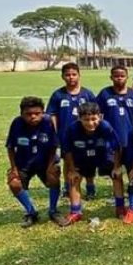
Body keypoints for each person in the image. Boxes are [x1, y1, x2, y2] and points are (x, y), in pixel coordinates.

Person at [6, 96, 68, 227]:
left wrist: (51, 165)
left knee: (54, 175)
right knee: (14, 183)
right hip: (23, 162)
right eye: (28, 114)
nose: (33, 117)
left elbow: (53, 146)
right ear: (21, 114)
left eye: (37, 113)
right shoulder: (17, 123)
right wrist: (14, 168)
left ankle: (53, 210)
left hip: (44, 161)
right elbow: (10, 147)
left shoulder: (47, 122)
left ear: (43, 112)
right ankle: (31, 212)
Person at [61, 103, 123, 225]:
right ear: (79, 119)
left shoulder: (105, 126)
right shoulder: (72, 129)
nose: (90, 123)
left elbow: (117, 147)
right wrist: (72, 170)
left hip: (102, 155)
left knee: (117, 175)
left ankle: (120, 207)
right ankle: (75, 211)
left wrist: (116, 167)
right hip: (82, 157)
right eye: (86, 120)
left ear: (100, 116)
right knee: (74, 179)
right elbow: (67, 151)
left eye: (94, 119)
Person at [46, 62, 97, 197]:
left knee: (89, 161)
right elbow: (52, 115)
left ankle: (90, 187)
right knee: (68, 162)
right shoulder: (58, 95)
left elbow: (96, 114)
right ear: (62, 76)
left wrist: (93, 130)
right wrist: (56, 133)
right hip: (66, 136)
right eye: (67, 75)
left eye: (74, 74)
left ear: (79, 75)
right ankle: (68, 187)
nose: (71, 77)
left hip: (86, 135)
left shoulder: (87, 94)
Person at [96, 65, 133, 155]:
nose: (119, 78)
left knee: (132, 167)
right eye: (116, 76)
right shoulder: (104, 93)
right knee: (109, 167)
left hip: (130, 138)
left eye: (122, 76)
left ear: (127, 77)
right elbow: (96, 114)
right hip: (110, 139)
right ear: (111, 77)